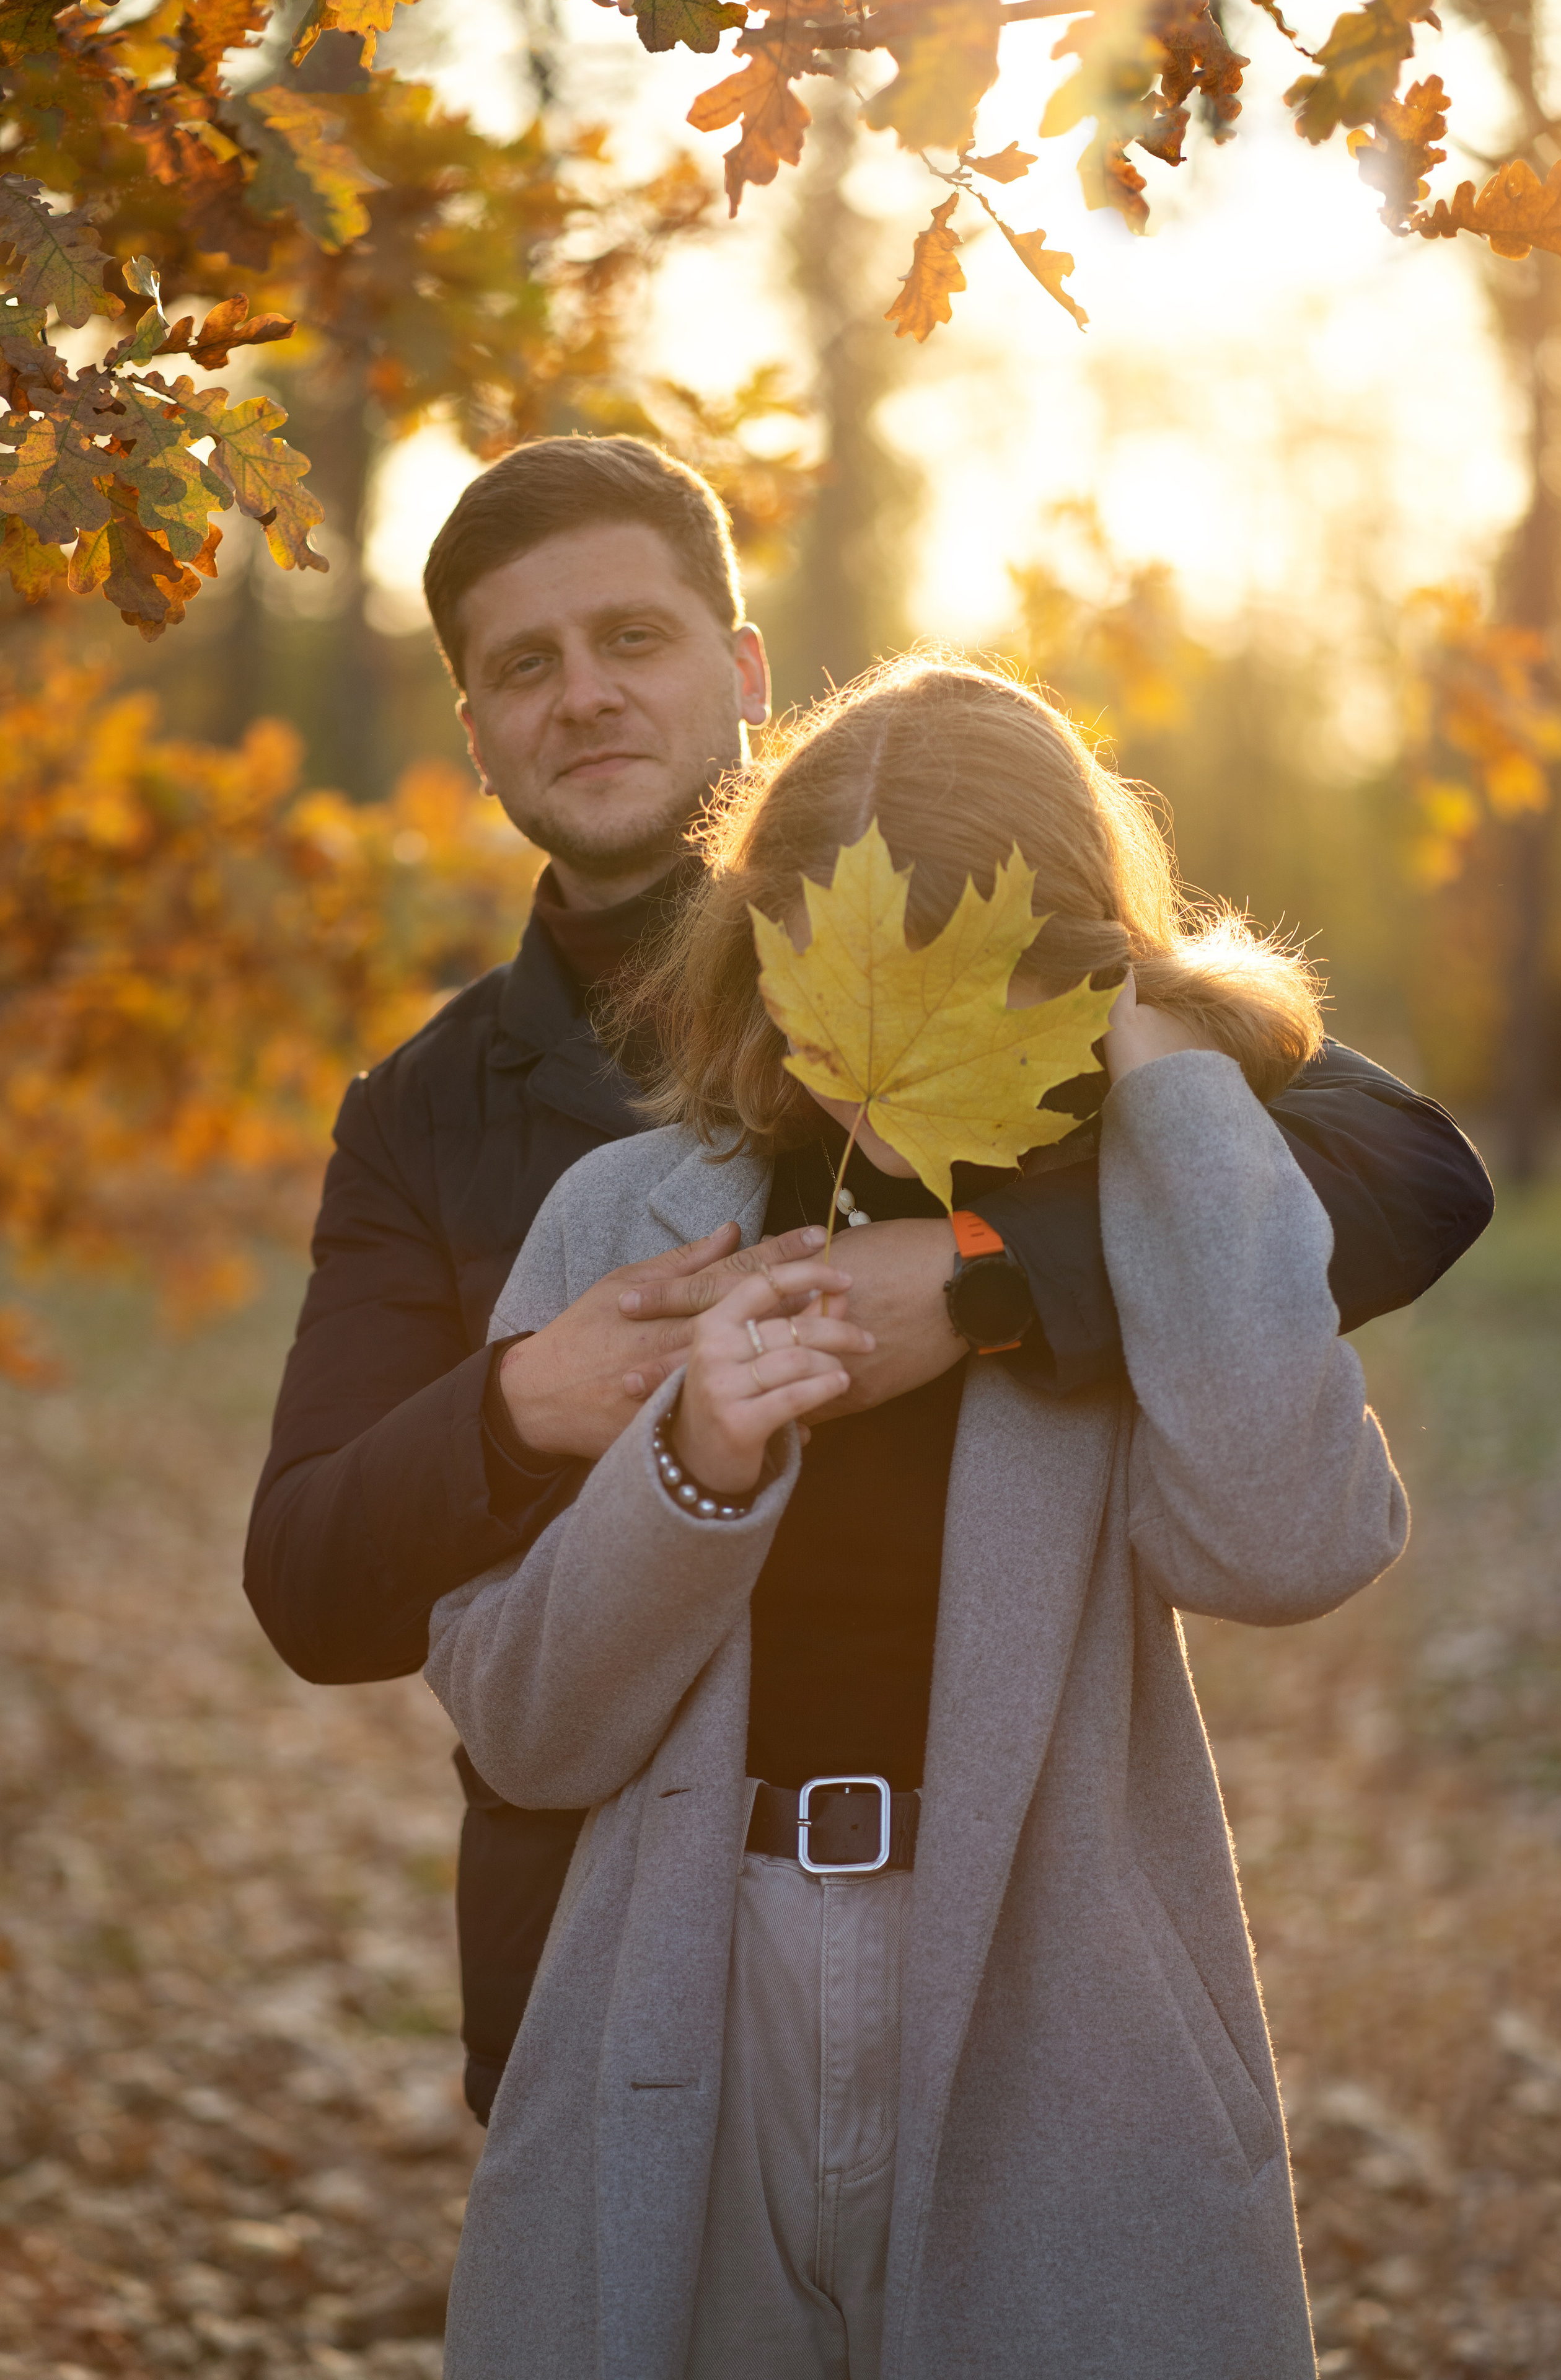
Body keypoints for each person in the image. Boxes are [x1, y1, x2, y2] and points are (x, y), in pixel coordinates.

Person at [244, 436, 1491, 2129]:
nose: (584, 694)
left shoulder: (968, 900)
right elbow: (315, 1582)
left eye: (633, 636)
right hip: (609, 1957)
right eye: (524, 665)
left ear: (746, 668)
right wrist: (534, 1399)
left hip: (1020, 1965)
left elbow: (1400, 1163)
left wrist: (983, 1272)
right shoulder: (430, 1111)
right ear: (473, 729)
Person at [427, 659, 1410, 2379]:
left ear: (1073, 973)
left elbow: (1290, 1543)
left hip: (1056, 2028)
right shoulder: (622, 1219)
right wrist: (691, 1468)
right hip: (697, 2003)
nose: (867, 1062)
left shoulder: (1135, 1232)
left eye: (964, 989)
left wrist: (1172, 1087)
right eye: (819, 978)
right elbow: (519, 1724)